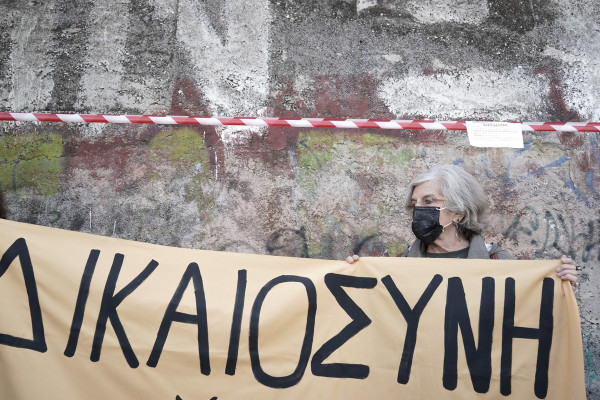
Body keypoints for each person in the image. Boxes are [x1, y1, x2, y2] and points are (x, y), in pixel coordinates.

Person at [346, 164, 578, 287]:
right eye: (415, 203)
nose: (418, 209)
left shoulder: (498, 262)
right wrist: (353, 276)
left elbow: (528, 311)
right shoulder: (397, 265)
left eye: (429, 201)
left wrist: (561, 286)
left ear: (458, 211)